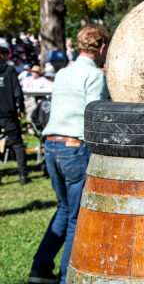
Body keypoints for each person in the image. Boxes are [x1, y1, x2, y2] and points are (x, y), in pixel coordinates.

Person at [28, 25, 109, 284]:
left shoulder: (63, 73)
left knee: (63, 208)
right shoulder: (95, 76)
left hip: (51, 146)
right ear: (102, 48)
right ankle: (67, 277)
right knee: (76, 217)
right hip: (75, 148)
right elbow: (95, 114)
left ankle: (40, 269)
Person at [0, 39, 29, 184]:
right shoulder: (10, 70)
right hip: (9, 114)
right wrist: (21, 108)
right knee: (17, 144)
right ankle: (23, 175)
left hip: (7, 114)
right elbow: (18, 92)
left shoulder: (10, 70)